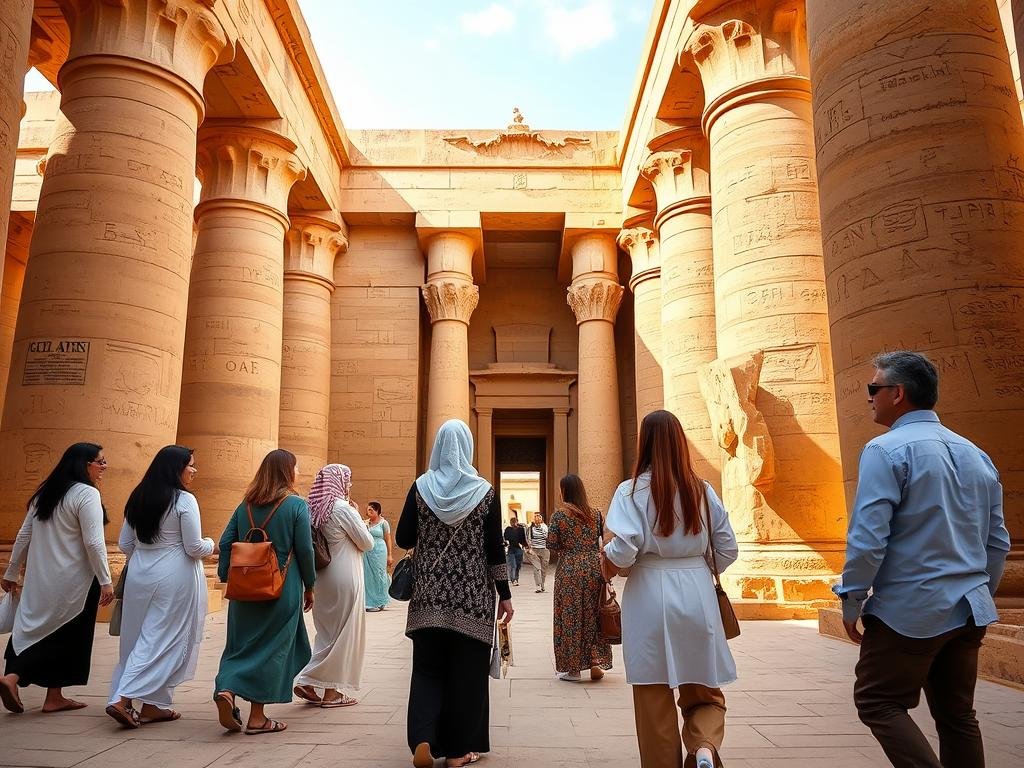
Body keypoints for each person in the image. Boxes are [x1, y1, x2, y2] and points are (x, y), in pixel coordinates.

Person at [833, 351, 1010, 768]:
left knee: (877, 701)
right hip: (969, 607)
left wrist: (852, 598)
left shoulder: (885, 449)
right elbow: (996, 541)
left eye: (873, 389)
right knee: (957, 715)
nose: (868, 398)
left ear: (898, 394)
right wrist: (981, 592)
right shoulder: (975, 452)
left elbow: (868, 538)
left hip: (910, 610)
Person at [602, 410, 738, 768]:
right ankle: (704, 747)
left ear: (643, 443)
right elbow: (728, 548)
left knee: (653, 697)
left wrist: (608, 559)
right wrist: (698, 568)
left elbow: (626, 547)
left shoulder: (631, 491)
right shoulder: (703, 490)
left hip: (648, 592)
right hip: (696, 591)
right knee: (704, 689)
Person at [396, 419, 513, 768]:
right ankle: (459, 751)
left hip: (428, 598)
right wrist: (504, 594)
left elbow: (403, 537)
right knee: (467, 676)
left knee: (427, 672)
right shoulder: (485, 493)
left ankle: (423, 740)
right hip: (472, 599)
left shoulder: (421, 488)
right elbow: (495, 549)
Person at [106, 446, 217, 728]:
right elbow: (193, 547)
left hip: (140, 573)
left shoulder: (138, 495)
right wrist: (211, 543)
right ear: (175, 468)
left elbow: (124, 544)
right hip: (174, 575)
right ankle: (123, 697)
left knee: (136, 637)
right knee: (164, 638)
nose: (194, 470)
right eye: (190, 465)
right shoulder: (184, 500)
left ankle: (154, 705)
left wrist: (146, 554)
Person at [0, 442, 114, 714]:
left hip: (40, 580)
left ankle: (32, 686)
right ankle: (31, 686)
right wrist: (106, 580)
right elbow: (95, 543)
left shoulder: (45, 494)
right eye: (100, 461)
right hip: (75, 581)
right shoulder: (86, 494)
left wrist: (11, 572)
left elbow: (23, 535)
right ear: (84, 464)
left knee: (31, 629)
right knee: (68, 635)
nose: (104, 466)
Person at [213, 449, 315, 735]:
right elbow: (306, 550)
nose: (298, 473)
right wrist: (310, 586)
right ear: (286, 472)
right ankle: (257, 718)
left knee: (241, 645)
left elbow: (225, 543)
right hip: (282, 587)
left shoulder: (244, 504)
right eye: (296, 467)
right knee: (272, 649)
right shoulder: (296, 505)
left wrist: (227, 576)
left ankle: (228, 689)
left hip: (244, 588)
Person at [294, 464, 374, 707]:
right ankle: (330, 692)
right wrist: (358, 516)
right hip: (344, 576)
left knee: (327, 633)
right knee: (343, 634)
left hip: (322, 577)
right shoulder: (341, 509)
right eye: (347, 480)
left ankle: (310, 681)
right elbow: (367, 542)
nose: (349, 485)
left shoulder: (313, 508)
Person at [546, 474, 612, 683]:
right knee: (594, 615)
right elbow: (602, 539)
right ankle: (595, 663)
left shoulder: (560, 516)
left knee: (571, 618)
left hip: (570, 570)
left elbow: (551, 544)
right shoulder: (596, 514)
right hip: (593, 568)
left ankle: (573, 669)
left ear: (565, 491)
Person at [362, 500, 393, 611]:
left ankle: (382, 600)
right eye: (368, 509)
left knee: (380, 574)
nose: (368, 511)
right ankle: (371, 602)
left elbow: (388, 539)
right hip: (368, 551)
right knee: (369, 575)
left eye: (371, 510)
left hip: (380, 550)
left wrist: (390, 555)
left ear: (377, 511)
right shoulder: (365, 523)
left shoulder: (383, 523)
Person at [524, 511, 550, 593]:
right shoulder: (530, 527)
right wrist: (529, 548)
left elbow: (547, 536)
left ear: (542, 518)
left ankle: (542, 584)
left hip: (544, 550)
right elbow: (528, 539)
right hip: (534, 550)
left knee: (544, 569)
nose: (537, 518)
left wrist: (539, 527)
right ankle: (538, 586)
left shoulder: (545, 527)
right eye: (535, 516)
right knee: (536, 568)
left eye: (539, 516)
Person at [503, 514, 527, 586]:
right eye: (512, 522)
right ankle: (513, 579)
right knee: (513, 565)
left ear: (517, 522)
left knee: (518, 565)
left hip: (518, 549)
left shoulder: (521, 529)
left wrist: (526, 546)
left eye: (515, 522)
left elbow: (523, 539)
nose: (513, 523)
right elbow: (506, 538)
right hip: (511, 549)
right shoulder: (508, 529)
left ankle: (516, 578)